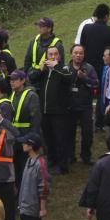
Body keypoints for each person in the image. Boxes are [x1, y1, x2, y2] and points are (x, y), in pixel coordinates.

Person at [30, 44, 72, 174]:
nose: (53, 57)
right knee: (48, 138)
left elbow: (68, 78)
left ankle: (63, 165)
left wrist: (56, 67)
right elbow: (31, 78)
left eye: (55, 54)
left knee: (60, 138)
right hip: (45, 111)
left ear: (59, 56)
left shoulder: (64, 68)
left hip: (59, 111)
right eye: (50, 54)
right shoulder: (44, 70)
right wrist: (40, 70)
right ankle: (52, 160)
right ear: (46, 56)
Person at [66, 45, 98, 166]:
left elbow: (96, 84)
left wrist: (85, 78)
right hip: (70, 106)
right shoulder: (65, 68)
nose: (78, 55)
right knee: (70, 133)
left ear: (84, 55)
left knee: (87, 133)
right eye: (76, 53)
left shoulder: (89, 68)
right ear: (71, 54)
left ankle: (86, 156)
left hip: (85, 106)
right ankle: (70, 156)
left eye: (81, 53)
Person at [78, 4, 110, 77]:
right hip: (105, 68)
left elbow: (82, 47)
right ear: (106, 16)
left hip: (88, 68)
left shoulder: (86, 28)